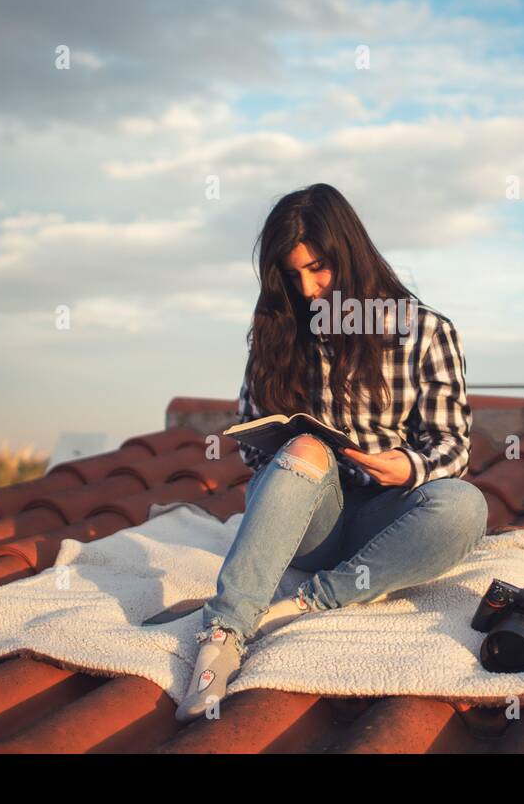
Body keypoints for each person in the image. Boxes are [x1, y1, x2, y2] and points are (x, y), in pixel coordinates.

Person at [175, 182, 488, 721]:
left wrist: (407, 466)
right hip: (310, 524)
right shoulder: (277, 330)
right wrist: (292, 448)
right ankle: (225, 632)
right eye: (293, 276)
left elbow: (452, 447)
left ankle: (305, 603)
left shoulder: (428, 332)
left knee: (465, 507)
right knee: (303, 446)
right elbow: (252, 444)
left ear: (350, 253)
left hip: (388, 524)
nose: (309, 288)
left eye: (319, 268)